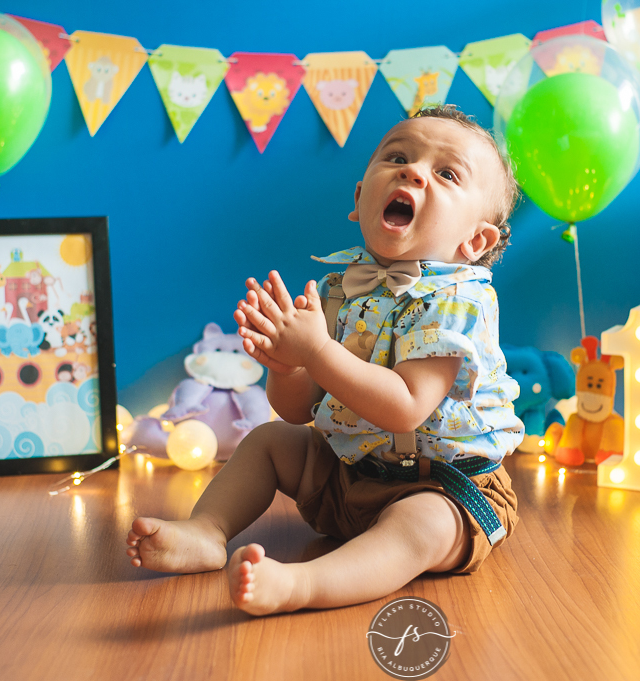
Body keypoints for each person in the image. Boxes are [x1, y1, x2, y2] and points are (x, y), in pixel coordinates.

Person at [126, 105, 524, 615]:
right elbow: (298, 411)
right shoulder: (340, 287)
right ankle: (207, 530)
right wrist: (289, 365)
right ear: (359, 200)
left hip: (447, 485)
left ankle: (303, 584)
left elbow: (405, 407)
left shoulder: (459, 302)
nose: (412, 171)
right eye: (397, 157)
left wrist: (317, 350)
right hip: (350, 475)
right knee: (270, 440)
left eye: (446, 174)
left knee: (422, 525)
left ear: (476, 240)